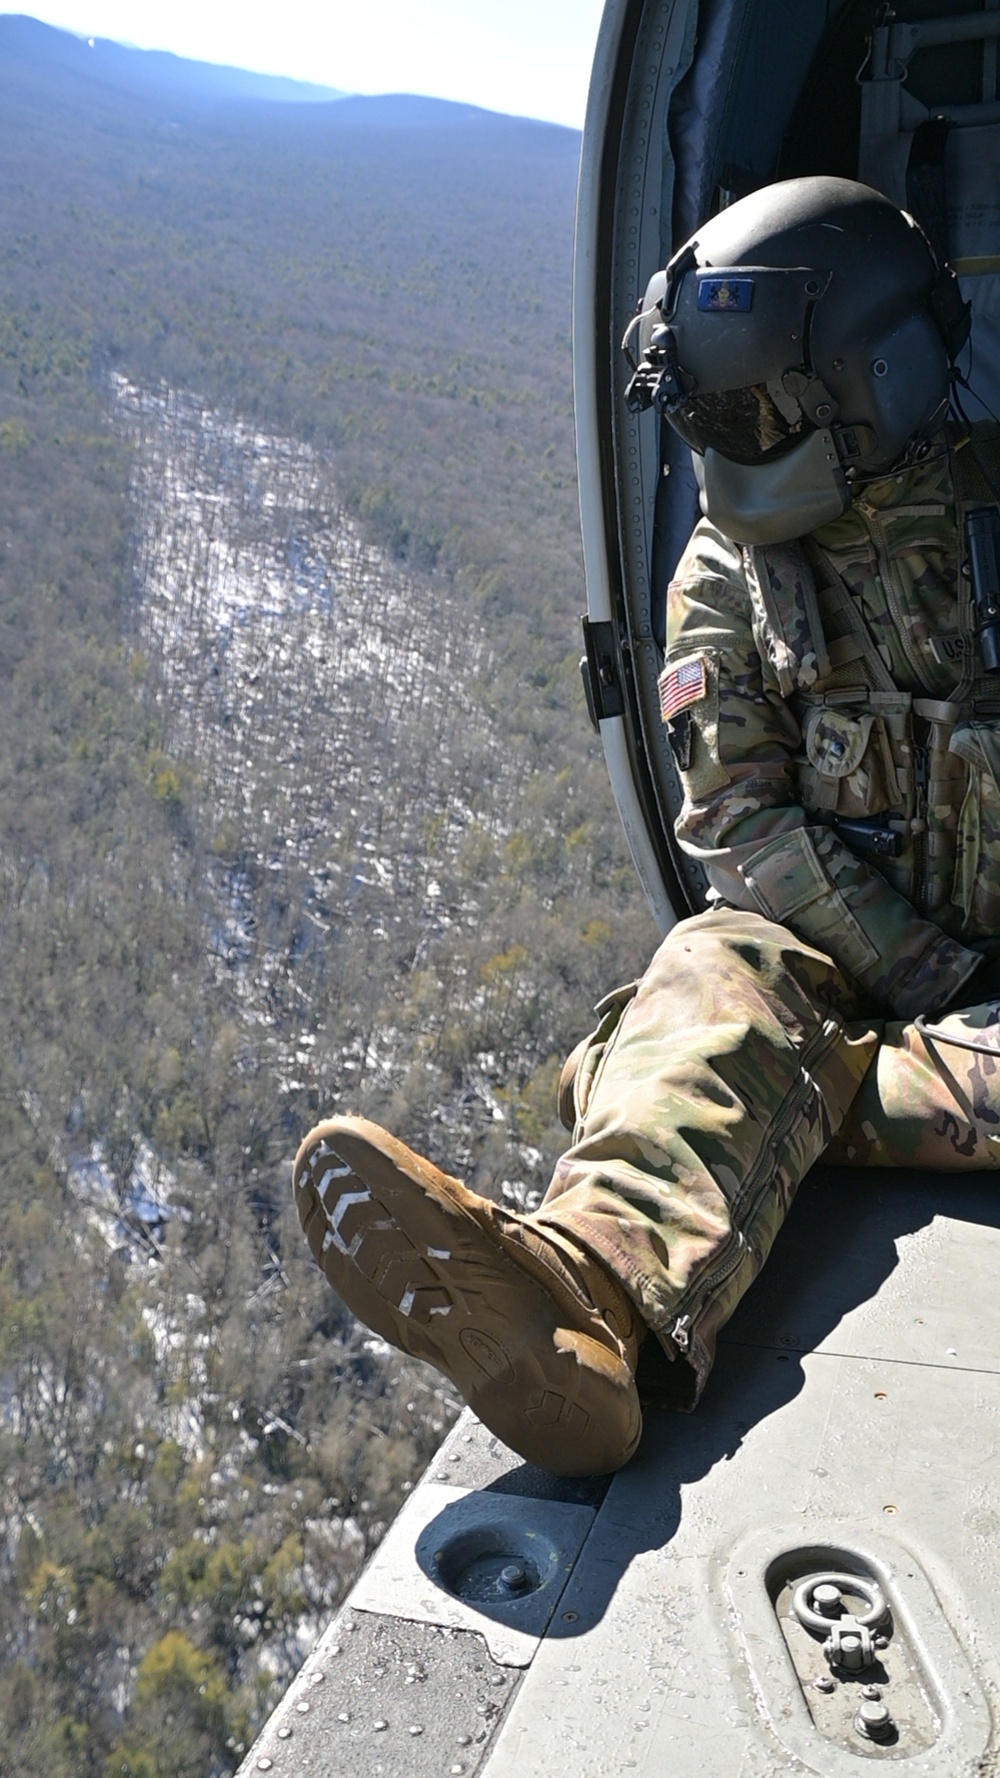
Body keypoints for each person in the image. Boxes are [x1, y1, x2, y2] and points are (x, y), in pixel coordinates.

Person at [293, 176, 1000, 1478]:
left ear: (880, 378)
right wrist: (927, 981)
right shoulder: (734, 574)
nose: (727, 447)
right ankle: (584, 1307)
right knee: (710, 973)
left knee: (683, 1059)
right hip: (848, 969)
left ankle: (815, 1102)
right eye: (704, 416)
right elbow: (740, 825)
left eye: (756, 413)